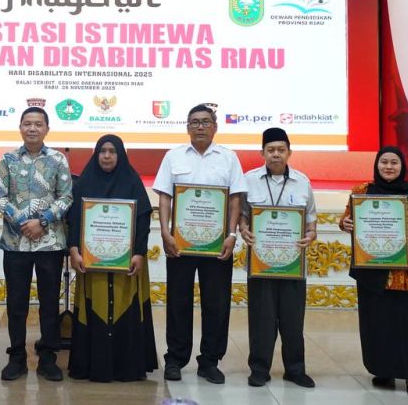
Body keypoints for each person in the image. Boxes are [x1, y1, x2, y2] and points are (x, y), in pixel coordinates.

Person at [154, 103, 242, 384]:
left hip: (217, 244)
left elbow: (235, 199)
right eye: (194, 122)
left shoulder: (229, 158)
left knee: (217, 303)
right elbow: (165, 197)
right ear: (187, 127)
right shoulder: (173, 156)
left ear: (215, 126)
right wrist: (165, 232)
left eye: (205, 122)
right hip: (180, 243)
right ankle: (175, 359)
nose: (200, 126)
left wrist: (231, 235)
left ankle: (210, 361)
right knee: (178, 301)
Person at [340, 146, 408, 397]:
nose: (389, 167)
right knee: (376, 323)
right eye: (384, 162)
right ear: (377, 165)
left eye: (394, 162)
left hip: (405, 271)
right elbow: (347, 219)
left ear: (402, 166)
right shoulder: (362, 191)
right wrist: (345, 223)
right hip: (372, 269)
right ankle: (383, 370)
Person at [67, 135, 158, 382]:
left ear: (121, 155)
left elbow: (143, 218)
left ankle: (127, 367)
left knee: (125, 306)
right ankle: (93, 366)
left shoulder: (132, 182)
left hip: (127, 262)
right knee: (94, 307)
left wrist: (139, 252)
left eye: (112, 151)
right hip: (92, 263)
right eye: (102, 151)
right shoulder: (84, 183)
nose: (107, 156)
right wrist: (73, 249)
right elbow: (73, 219)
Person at [0, 107, 73, 381]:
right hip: (15, 243)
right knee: (16, 303)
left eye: (38, 124)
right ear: (20, 127)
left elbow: (66, 197)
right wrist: (22, 222)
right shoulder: (7, 160)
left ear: (47, 129)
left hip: (50, 244)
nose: (32, 128)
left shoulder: (58, 160)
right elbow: (0, 197)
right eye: (27, 123)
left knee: (49, 303)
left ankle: (48, 358)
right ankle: (17, 357)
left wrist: (42, 221)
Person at [238, 127, 317, 388]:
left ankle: (295, 370)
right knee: (261, 319)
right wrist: (244, 229)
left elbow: (311, 220)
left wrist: (310, 235)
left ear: (289, 152)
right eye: (270, 150)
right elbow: (242, 216)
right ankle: (259, 369)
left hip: (293, 263)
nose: (275, 154)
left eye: (281, 150)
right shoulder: (249, 180)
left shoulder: (302, 182)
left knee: (293, 320)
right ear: (262, 153)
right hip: (260, 262)